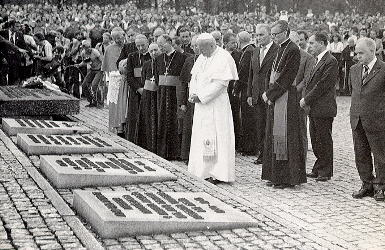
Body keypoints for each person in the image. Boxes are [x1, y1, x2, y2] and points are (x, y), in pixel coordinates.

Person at [188, 33, 238, 184]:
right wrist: (193, 93)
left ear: (211, 45)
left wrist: (201, 96)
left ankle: (218, 173)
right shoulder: (203, 57)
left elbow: (221, 83)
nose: (200, 53)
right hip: (202, 106)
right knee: (201, 135)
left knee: (218, 137)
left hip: (217, 105)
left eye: (202, 49)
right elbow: (194, 78)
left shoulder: (223, 57)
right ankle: (202, 170)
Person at [261, 20, 305, 188]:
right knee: (274, 135)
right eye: (272, 35)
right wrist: (268, 92)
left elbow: (286, 77)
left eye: (276, 34)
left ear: (285, 32)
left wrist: (270, 94)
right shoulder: (280, 48)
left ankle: (286, 178)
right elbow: (272, 74)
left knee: (285, 137)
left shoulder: (293, 49)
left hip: (286, 98)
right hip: (277, 96)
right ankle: (275, 175)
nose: (274, 37)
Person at [350, 37, 385, 201]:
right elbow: (355, 94)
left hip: (377, 120)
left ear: (372, 50)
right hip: (357, 119)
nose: (358, 56)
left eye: (361, 53)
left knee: (380, 155)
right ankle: (367, 184)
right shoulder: (354, 70)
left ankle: (380, 186)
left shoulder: (383, 69)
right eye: (356, 53)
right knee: (361, 154)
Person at [302, 32, 338, 182]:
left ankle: (325, 170)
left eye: (312, 43)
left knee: (324, 139)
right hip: (315, 107)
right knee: (316, 139)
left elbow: (322, 84)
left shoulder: (331, 61)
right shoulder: (316, 60)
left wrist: (306, 99)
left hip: (324, 107)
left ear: (322, 43)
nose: (309, 46)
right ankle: (319, 167)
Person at [247, 24, 279, 164]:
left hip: (270, 94)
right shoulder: (255, 51)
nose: (259, 38)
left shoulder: (277, 50)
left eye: (261, 35)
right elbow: (251, 74)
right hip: (256, 94)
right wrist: (249, 93)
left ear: (269, 35)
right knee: (259, 126)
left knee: (270, 125)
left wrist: (271, 93)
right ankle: (262, 153)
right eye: (257, 35)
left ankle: (270, 154)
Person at [156, 34, 187, 160]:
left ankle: (176, 152)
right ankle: (163, 152)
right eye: (158, 45)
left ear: (169, 42)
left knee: (176, 122)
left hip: (176, 94)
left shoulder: (182, 57)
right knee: (163, 120)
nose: (160, 47)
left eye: (162, 44)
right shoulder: (159, 58)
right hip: (163, 94)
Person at [290, 31, 316, 164]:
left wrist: (294, 91)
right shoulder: (283, 55)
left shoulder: (307, 58)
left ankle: (301, 160)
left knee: (300, 130)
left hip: (298, 98)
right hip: (284, 98)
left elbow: (307, 79)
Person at [233, 31, 256, 155]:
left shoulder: (247, 52)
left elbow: (242, 72)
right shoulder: (249, 50)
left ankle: (249, 147)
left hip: (246, 89)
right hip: (247, 88)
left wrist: (236, 88)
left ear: (239, 40)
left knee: (247, 119)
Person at [125, 34, 151, 142]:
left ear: (148, 43)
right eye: (138, 46)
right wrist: (138, 88)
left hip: (149, 89)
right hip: (136, 91)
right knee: (134, 116)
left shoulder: (152, 55)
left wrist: (146, 89)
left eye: (143, 45)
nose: (140, 48)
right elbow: (129, 76)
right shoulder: (132, 56)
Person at [136, 43, 161, 153]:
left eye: (156, 50)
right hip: (147, 95)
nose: (154, 53)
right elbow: (143, 79)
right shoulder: (146, 64)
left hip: (157, 95)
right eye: (151, 51)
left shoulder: (162, 63)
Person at [178, 35, 200, 161]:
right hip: (190, 99)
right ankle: (188, 156)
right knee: (189, 128)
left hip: (203, 99)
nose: (196, 48)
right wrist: (182, 102)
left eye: (198, 45)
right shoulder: (189, 60)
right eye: (194, 46)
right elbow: (183, 82)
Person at [102, 27, 125, 134]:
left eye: (119, 38)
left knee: (123, 103)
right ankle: (113, 126)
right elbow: (106, 67)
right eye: (115, 38)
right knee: (113, 103)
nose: (118, 40)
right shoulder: (109, 49)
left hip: (124, 79)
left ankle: (122, 126)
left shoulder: (128, 47)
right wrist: (107, 80)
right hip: (113, 79)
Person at [223, 32, 242, 151]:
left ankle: (236, 143)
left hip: (234, 88)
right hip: (223, 87)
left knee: (235, 115)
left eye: (236, 42)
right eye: (232, 42)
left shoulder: (238, 54)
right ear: (225, 43)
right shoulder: (220, 55)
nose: (235, 44)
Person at [78, 40, 103, 107]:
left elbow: (102, 60)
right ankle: (91, 101)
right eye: (84, 48)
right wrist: (79, 65)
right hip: (92, 70)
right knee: (84, 85)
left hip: (99, 70)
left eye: (87, 47)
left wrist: (103, 70)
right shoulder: (83, 53)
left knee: (94, 85)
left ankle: (100, 103)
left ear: (89, 47)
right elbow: (84, 62)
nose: (86, 49)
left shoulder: (95, 52)